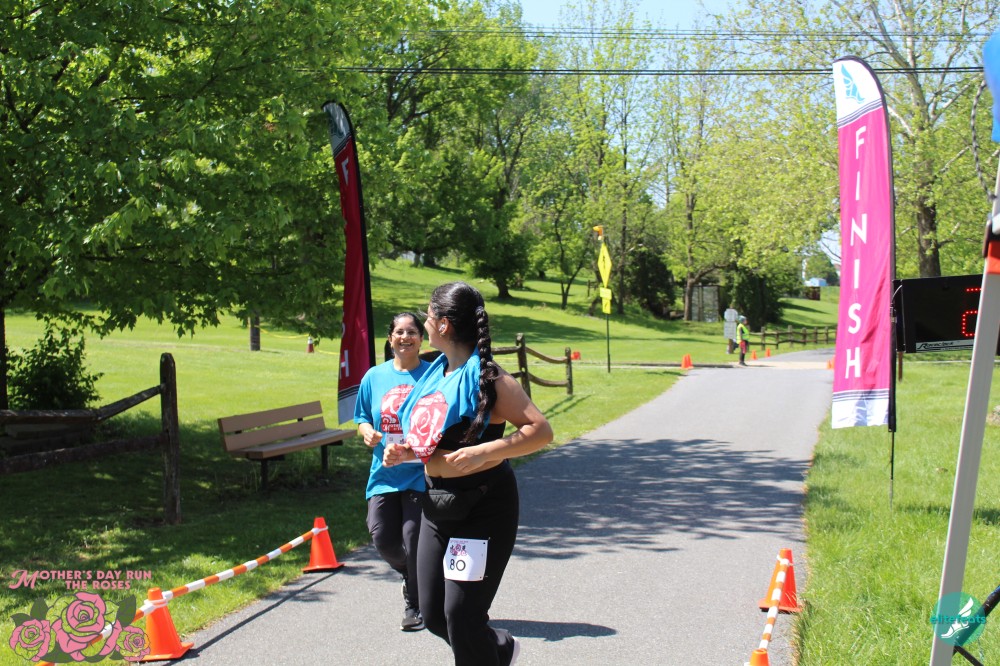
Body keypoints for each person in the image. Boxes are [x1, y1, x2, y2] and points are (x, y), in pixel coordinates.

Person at [384, 281, 553, 666]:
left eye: (428, 315)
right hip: (438, 506)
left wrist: (486, 451)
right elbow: (438, 438)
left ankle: (488, 653)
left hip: (482, 511)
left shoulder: (488, 378)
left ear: (444, 324)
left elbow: (540, 430)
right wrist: (407, 452)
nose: (425, 323)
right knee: (433, 614)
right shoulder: (436, 372)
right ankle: (499, 648)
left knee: (461, 617)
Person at [354, 312, 431, 632]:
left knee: (413, 540)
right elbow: (361, 417)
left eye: (412, 332)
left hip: (419, 474)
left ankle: (415, 604)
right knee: (383, 539)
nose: (405, 337)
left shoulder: (432, 375)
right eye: (399, 332)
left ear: (421, 339)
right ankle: (413, 574)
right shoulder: (374, 376)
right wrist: (367, 432)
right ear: (390, 339)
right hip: (383, 475)